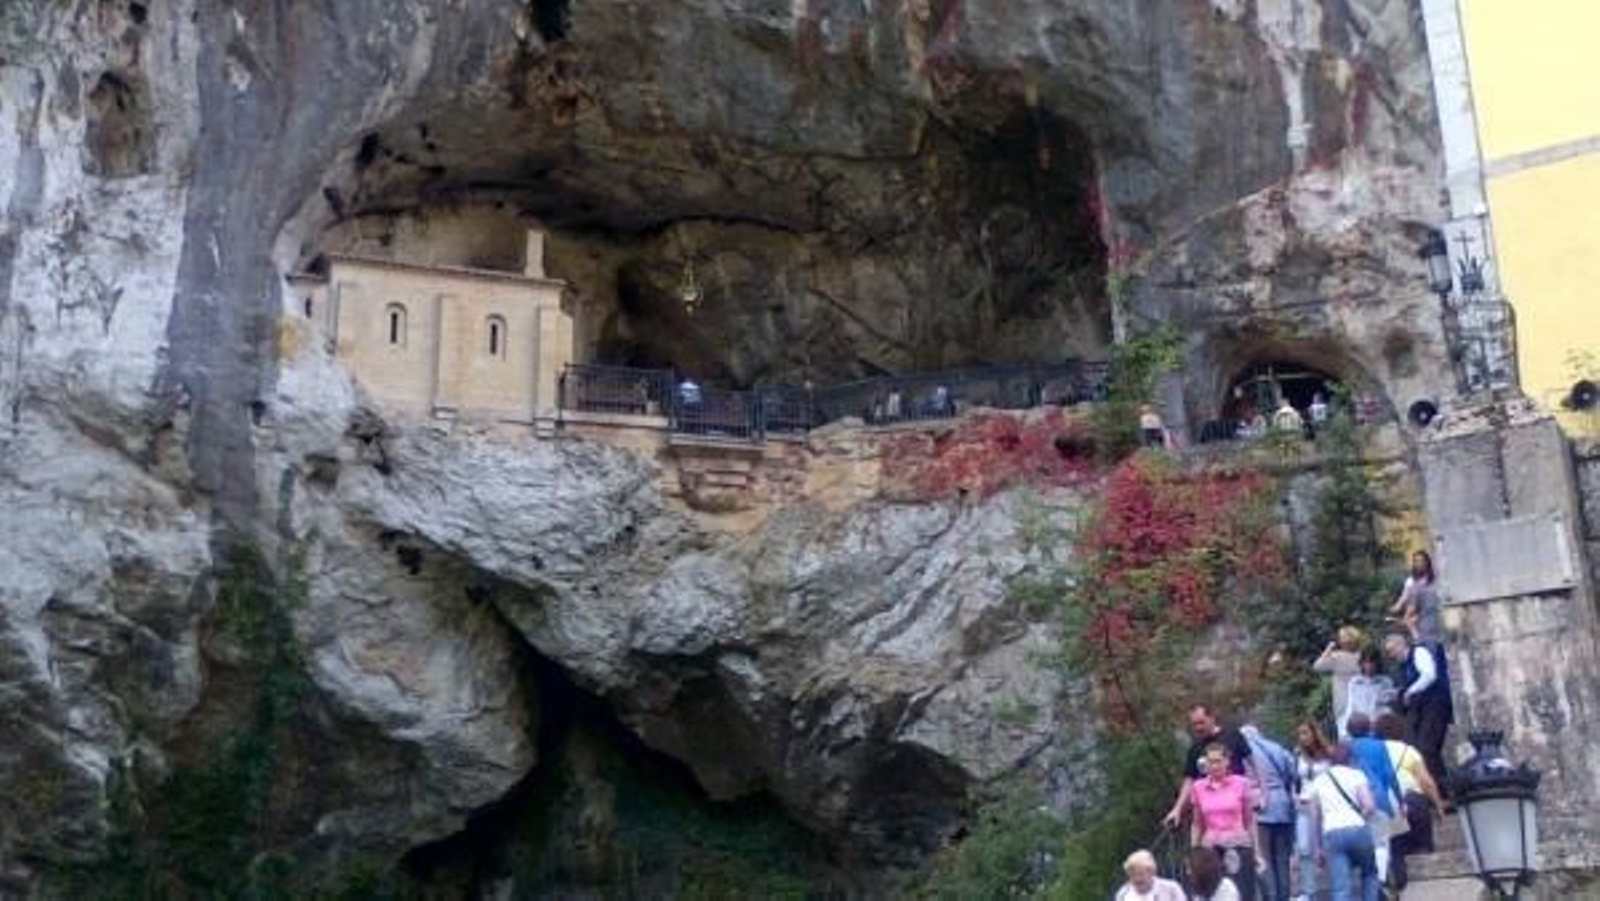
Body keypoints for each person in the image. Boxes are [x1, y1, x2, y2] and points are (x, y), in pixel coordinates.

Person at [1375, 712, 1447, 893]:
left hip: (1391, 807)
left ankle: (1402, 889)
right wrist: (1438, 804)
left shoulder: (1375, 752)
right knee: (1424, 846)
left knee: (1397, 851)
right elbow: (1426, 781)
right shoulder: (1408, 750)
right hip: (1414, 802)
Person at [1305, 743, 1382, 901]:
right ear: (1350, 759)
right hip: (1357, 829)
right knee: (1369, 873)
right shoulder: (1356, 775)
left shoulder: (1318, 781)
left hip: (1332, 833)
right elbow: (1370, 806)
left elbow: (1314, 818)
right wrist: (1362, 816)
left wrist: (1317, 848)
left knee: (1340, 887)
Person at [1164, 704, 1255, 831]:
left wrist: (1262, 793)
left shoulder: (1233, 735)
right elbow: (1189, 780)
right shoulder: (1195, 750)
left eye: (1201, 722)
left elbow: (1253, 763)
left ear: (1212, 718)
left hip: (1236, 810)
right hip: (1210, 815)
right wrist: (1177, 809)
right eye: (1194, 724)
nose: (1198, 727)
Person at [1384, 631, 1453, 795]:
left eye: (1392, 650)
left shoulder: (1418, 652)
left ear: (1401, 645)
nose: (1391, 654)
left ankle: (1443, 792)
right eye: (1388, 652)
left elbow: (1429, 675)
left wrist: (1410, 691)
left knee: (1427, 748)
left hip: (1435, 704)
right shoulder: (1401, 666)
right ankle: (1440, 792)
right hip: (1421, 709)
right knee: (1422, 750)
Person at [1191, 743, 1261, 901]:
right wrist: (1194, 853)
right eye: (1210, 762)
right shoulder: (1198, 787)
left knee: (1243, 894)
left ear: (1227, 761)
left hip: (1238, 845)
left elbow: (1249, 820)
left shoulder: (1241, 783)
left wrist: (1257, 852)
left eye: (1218, 761)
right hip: (1211, 850)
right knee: (1213, 894)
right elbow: (1197, 824)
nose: (1214, 766)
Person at [1345, 713, 1403, 886]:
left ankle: (1369, 878)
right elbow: (1390, 775)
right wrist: (1400, 801)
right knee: (1382, 843)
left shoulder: (1346, 748)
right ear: (1369, 728)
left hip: (1356, 802)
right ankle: (1382, 879)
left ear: (1348, 730)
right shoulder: (1379, 746)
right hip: (1379, 799)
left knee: (1364, 844)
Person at [1241, 725, 1297, 901]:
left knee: (1263, 857)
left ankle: (1270, 897)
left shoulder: (1242, 753)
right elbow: (1292, 772)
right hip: (1282, 805)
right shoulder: (1275, 747)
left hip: (1258, 807)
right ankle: (1284, 897)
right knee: (1282, 857)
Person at [1291, 721, 1334, 901]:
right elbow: (1293, 780)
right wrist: (1294, 798)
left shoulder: (1328, 753)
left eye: (1306, 733)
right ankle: (1310, 892)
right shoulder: (1296, 755)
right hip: (1304, 805)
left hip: (1325, 805)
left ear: (1315, 733)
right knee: (1304, 848)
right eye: (1300, 734)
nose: (1303, 737)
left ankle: (1335, 889)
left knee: (1329, 846)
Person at [1313, 626, 1363, 735]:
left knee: (1346, 740)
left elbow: (1317, 666)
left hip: (1342, 706)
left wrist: (1329, 648)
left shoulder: (1337, 657)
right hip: (1362, 705)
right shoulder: (1363, 657)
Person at [1339, 647, 1394, 740]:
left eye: (1372, 662)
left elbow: (1388, 708)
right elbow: (1351, 705)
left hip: (1379, 727)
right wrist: (1344, 730)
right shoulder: (1355, 682)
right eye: (1366, 662)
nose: (1368, 666)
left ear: (1377, 663)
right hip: (1360, 727)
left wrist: (1381, 723)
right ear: (1361, 663)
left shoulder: (1385, 682)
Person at [1388, 551, 1441, 643]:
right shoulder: (1411, 581)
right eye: (1416, 561)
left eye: (1421, 561)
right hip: (1420, 614)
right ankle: (1419, 640)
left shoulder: (1434, 578)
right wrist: (1397, 606)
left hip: (1433, 612)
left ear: (1427, 562)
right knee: (1410, 621)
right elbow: (1404, 596)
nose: (1419, 563)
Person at [1116, 849, 1186, 901]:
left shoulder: (1171, 890)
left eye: (1140, 874)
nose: (1137, 879)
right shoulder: (1123, 893)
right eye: (1132, 875)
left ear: (1152, 872)